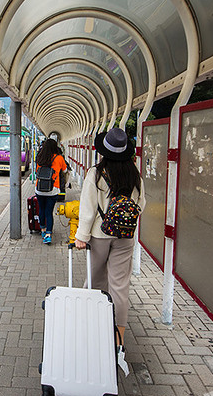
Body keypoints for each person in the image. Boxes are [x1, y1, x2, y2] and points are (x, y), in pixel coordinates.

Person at [73, 128, 145, 347]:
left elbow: (88, 209)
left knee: (95, 280)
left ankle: (91, 325)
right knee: (120, 285)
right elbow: (140, 204)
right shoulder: (135, 174)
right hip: (125, 237)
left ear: (104, 151)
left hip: (99, 235)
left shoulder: (96, 173)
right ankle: (118, 339)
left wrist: (81, 236)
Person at [34, 138, 67, 245]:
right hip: (53, 189)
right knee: (49, 212)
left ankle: (43, 230)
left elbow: (36, 172)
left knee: (41, 210)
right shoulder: (59, 158)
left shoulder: (39, 157)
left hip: (39, 189)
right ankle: (48, 235)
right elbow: (65, 170)